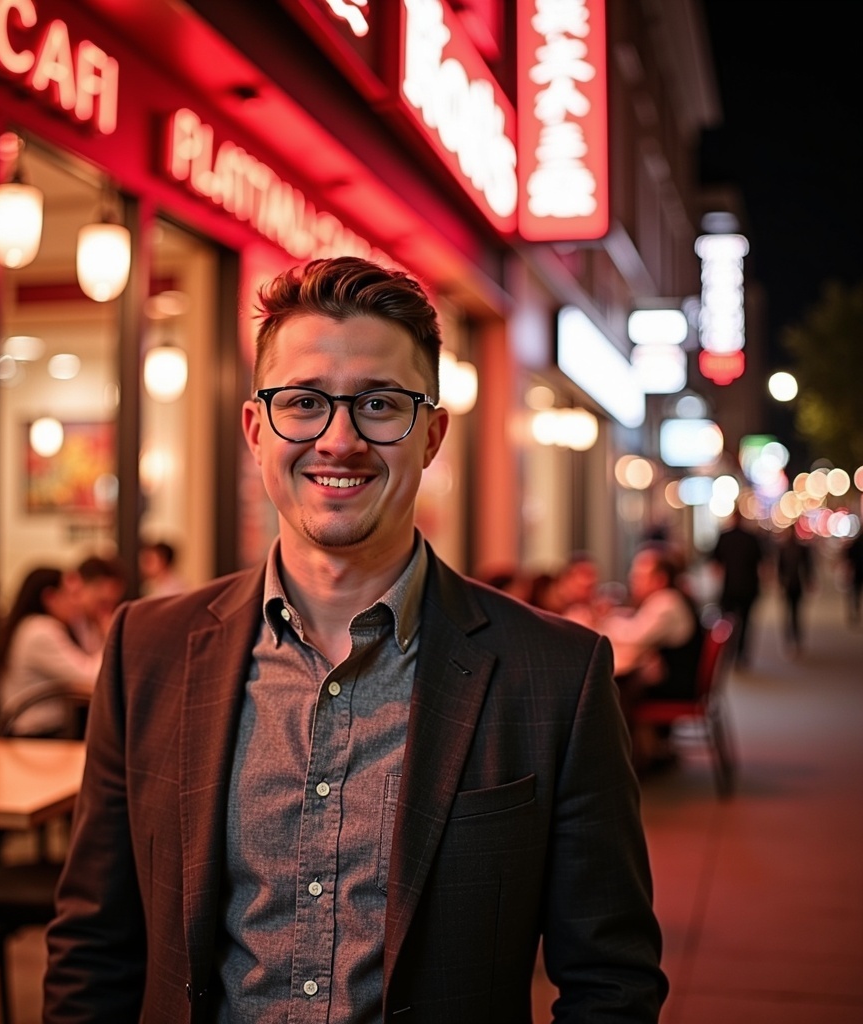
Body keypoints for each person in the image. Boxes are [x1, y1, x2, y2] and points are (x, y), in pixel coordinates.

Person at [44, 257, 666, 1023]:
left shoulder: (556, 675)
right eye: (303, 402)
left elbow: (612, 980)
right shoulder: (149, 649)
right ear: (256, 429)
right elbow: (93, 947)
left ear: (431, 434)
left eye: (379, 404)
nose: (339, 441)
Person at [598, 543, 704, 768]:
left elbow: (636, 635)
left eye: (639, 575)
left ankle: (626, 762)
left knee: (615, 691)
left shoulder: (666, 603)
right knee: (622, 684)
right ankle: (644, 753)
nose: (632, 579)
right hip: (680, 677)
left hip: (678, 685)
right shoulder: (669, 598)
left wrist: (604, 619)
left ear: (660, 579)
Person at [0, 566, 101, 736]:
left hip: (32, 731)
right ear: (50, 598)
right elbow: (91, 677)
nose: (77, 602)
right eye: (71, 594)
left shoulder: (28, 626)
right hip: (37, 734)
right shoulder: (41, 630)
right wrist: (112, 637)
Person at [710, 507, 764, 667]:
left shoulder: (724, 537)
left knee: (727, 621)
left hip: (729, 587)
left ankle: (728, 651)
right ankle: (741, 653)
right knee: (746, 622)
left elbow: (715, 563)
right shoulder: (751, 538)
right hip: (749, 587)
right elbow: (761, 564)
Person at [71, 554, 128, 654]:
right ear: (80, 587)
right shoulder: (66, 625)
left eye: (113, 603)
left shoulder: (98, 625)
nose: (108, 609)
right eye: (103, 602)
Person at [775, 528, 814, 655]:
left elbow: (807, 566)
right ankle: (790, 640)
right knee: (789, 613)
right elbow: (780, 569)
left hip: (796, 585)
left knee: (795, 613)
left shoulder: (800, 548)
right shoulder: (784, 548)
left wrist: (809, 581)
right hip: (789, 585)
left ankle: (796, 640)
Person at [845, 531, 863, 625]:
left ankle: (856, 610)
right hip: (857, 571)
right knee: (856, 592)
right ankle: (856, 610)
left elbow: (849, 557)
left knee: (855, 592)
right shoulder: (856, 544)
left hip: (856, 571)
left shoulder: (855, 543)